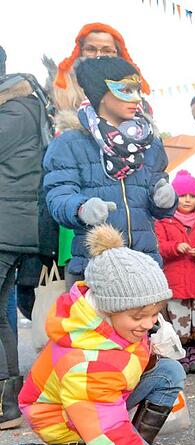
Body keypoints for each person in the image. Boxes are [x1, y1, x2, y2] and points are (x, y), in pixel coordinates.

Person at [2, 224, 185, 445]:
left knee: (169, 372)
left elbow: (121, 359)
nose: (149, 323)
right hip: (62, 417)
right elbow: (107, 430)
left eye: (154, 313)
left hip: (98, 394)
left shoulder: (116, 321)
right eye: (140, 315)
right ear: (108, 309)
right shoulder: (85, 363)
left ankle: (132, 443)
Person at [43, 57, 176, 289]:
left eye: (137, 89)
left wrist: (165, 199)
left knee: (144, 327)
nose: (136, 98)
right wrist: (81, 207)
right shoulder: (70, 143)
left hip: (144, 267)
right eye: (125, 89)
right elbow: (57, 196)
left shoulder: (151, 144)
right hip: (94, 268)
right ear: (100, 93)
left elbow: (157, 189)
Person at [0, 62, 49, 429]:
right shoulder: (28, 110)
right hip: (15, 225)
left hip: (6, 224)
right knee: (1, 314)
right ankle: (7, 405)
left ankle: (7, 406)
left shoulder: (15, 112)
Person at [155, 170, 195, 375]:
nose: (187, 200)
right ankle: (181, 353)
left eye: (191, 196)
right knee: (178, 317)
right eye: (182, 196)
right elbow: (159, 247)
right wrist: (174, 247)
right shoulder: (164, 221)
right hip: (176, 281)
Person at [52, 23, 151, 133]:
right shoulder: (61, 91)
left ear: (117, 53)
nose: (98, 55)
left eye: (107, 50)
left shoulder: (136, 98)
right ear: (80, 51)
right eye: (91, 49)